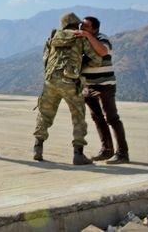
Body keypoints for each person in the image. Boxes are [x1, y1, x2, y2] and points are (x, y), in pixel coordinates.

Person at [33, 12, 100, 165]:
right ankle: (78, 154)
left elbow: (45, 58)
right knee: (78, 117)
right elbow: (96, 60)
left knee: (45, 114)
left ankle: (38, 147)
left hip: (50, 81)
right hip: (70, 81)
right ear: (76, 23)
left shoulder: (53, 37)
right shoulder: (80, 36)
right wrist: (79, 66)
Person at [76, 16, 129, 164]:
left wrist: (87, 36)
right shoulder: (81, 42)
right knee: (97, 118)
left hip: (105, 85)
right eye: (82, 26)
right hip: (88, 86)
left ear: (94, 29)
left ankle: (122, 153)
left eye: (86, 27)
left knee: (112, 118)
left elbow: (102, 52)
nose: (82, 29)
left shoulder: (102, 38)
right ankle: (106, 150)